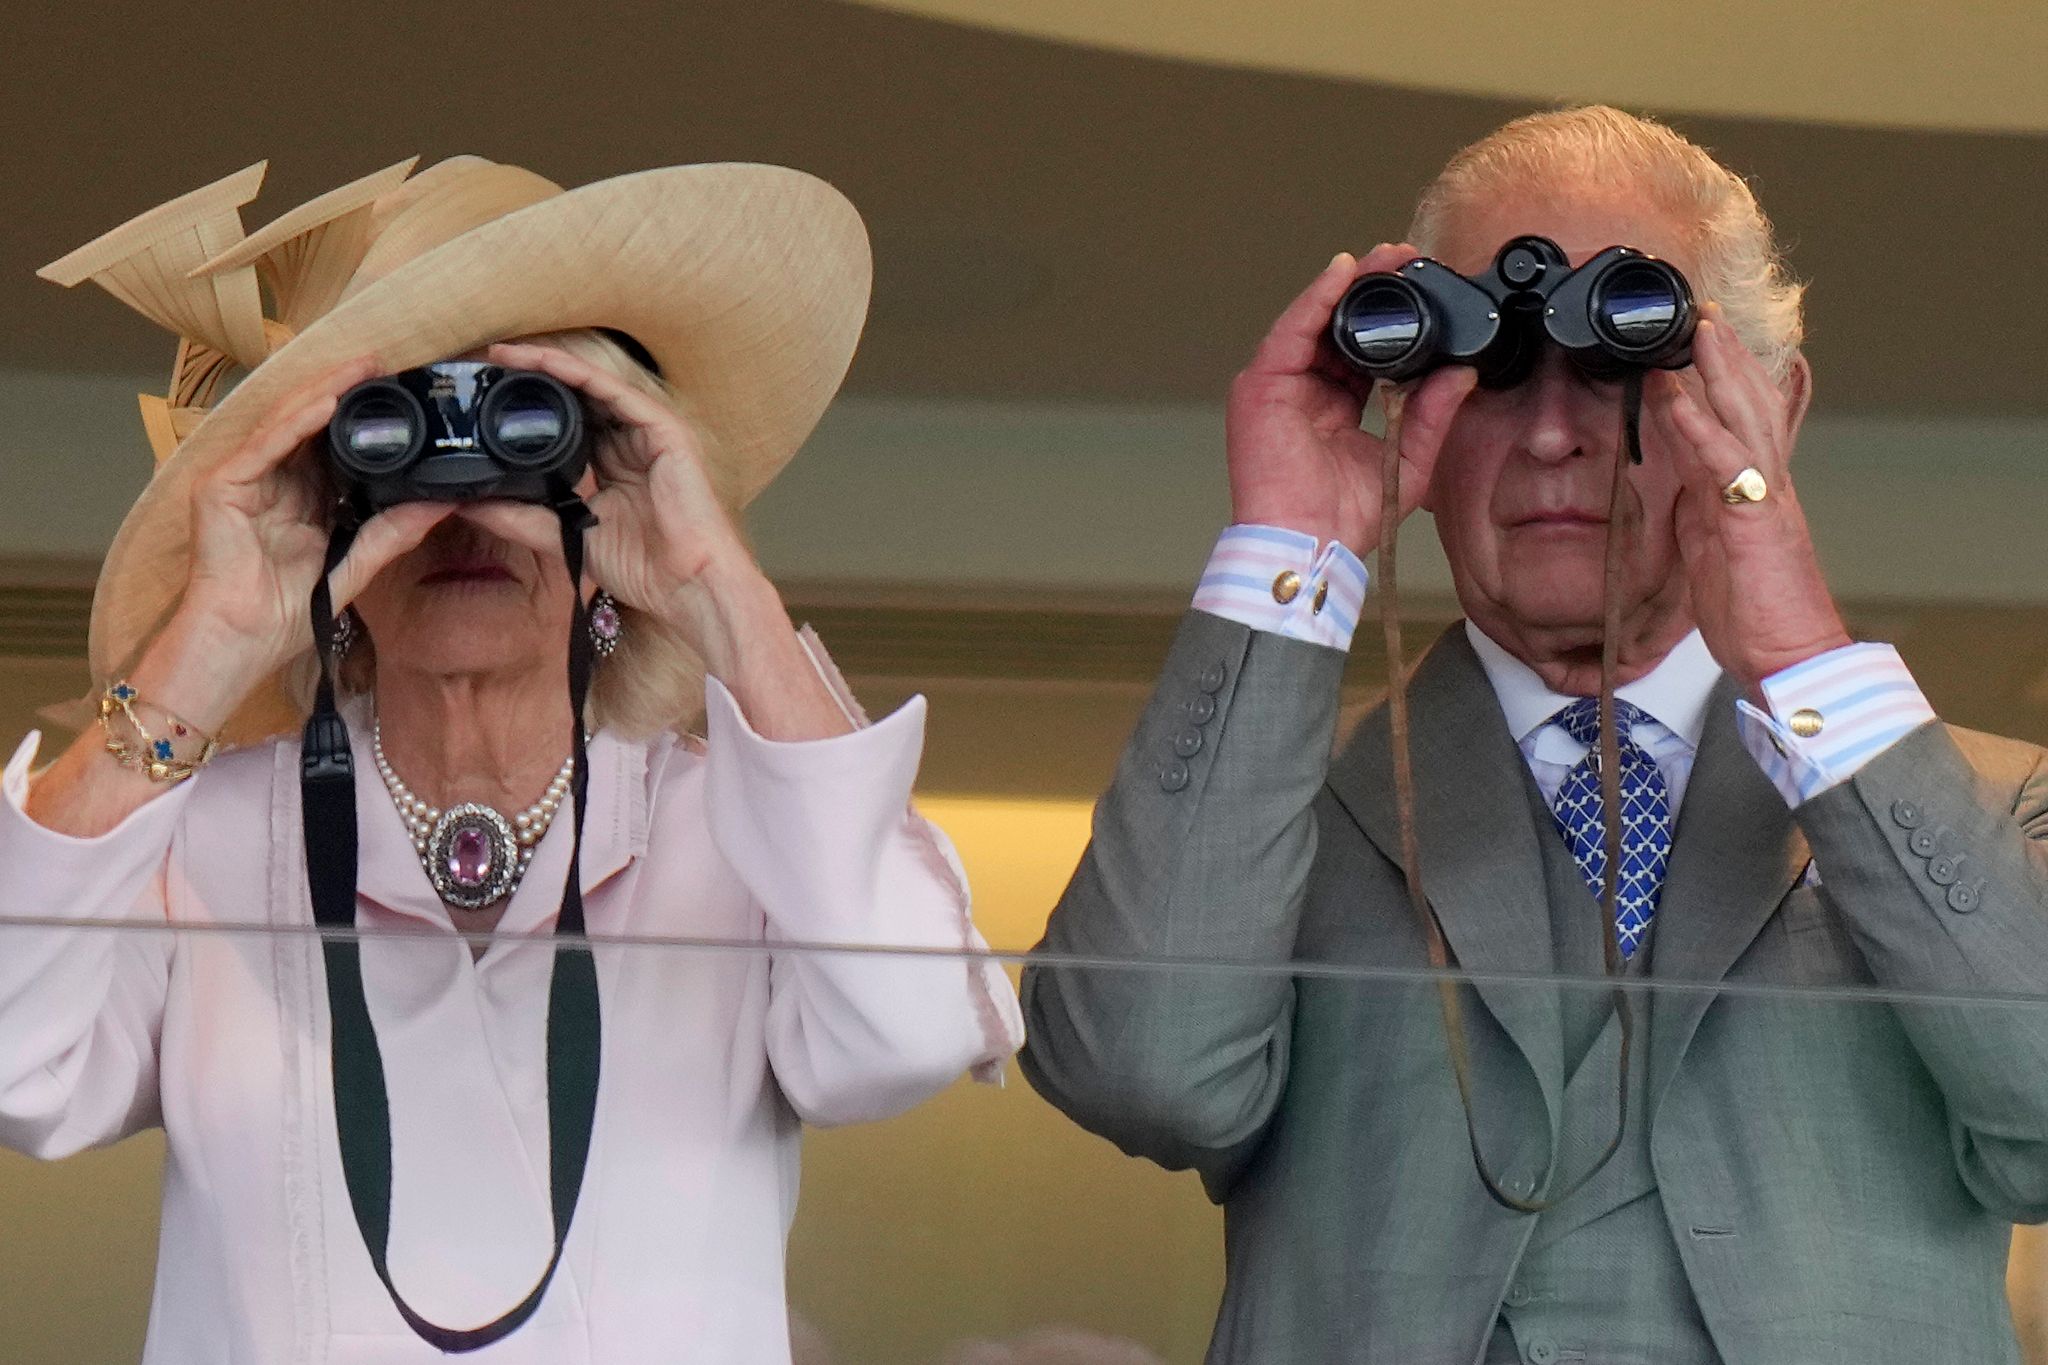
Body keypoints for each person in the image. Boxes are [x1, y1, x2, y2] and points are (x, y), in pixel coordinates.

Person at [1020, 106, 2048, 1364]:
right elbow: (1137, 1073)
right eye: (1490, 367)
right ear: (1405, 408)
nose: (1553, 433)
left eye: (1623, 358)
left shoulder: (1991, 805)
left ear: (1766, 407)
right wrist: (1286, 550)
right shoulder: (1278, 801)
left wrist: (1800, 665)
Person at [0, 154, 1022, 1363]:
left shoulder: (742, 833)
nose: (465, 498)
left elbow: (905, 1032)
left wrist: (715, 585)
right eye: (388, 440)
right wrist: (207, 645)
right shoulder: (198, 843)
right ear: (320, 497)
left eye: (524, 428)